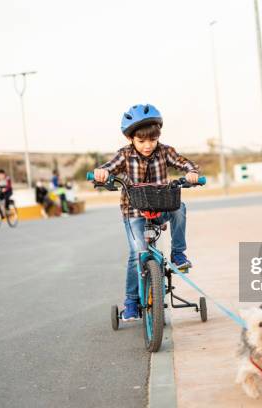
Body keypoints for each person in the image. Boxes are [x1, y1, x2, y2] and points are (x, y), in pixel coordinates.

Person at [93, 103, 199, 321]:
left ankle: (178, 253)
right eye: (142, 141)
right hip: (134, 212)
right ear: (131, 139)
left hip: (161, 206)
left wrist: (192, 173)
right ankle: (131, 301)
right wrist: (102, 173)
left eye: (152, 139)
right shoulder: (124, 155)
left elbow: (184, 163)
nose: (148, 145)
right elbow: (109, 166)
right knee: (137, 255)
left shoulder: (164, 151)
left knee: (180, 207)